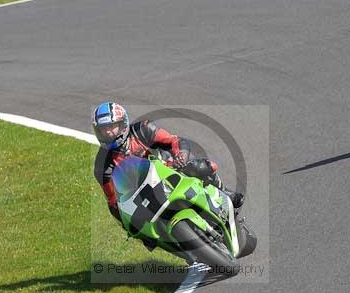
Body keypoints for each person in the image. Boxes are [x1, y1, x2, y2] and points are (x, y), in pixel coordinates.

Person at [92, 101, 244, 247]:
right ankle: (189, 254)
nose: (108, 132)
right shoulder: (101, 165)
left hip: (167, 169)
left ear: (122, 124)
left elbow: (174, 141)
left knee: (201, 167)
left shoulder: (142, 130)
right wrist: (129, 226)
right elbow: (113, 202)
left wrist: (181, 156)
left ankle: (225, 194)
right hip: (141, 196)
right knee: (148, 235)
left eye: (111, 127)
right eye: (103, 129)